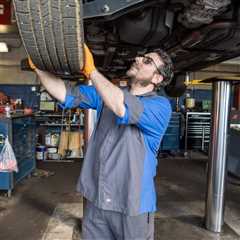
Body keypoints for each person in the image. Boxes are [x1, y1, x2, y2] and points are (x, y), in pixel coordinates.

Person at [29, 44, 174, 240]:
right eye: (141, 56)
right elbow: (67, 93)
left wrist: (92, 72)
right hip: (97, 200)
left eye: (147, 61)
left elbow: (121, 105)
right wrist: (38, 69)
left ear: (157, 78)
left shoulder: (160, 106)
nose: (138, 59)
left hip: (132, 205)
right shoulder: (108, 94)